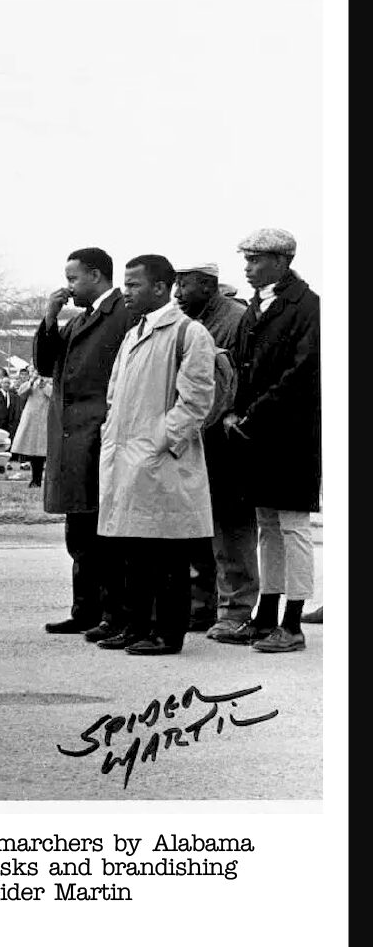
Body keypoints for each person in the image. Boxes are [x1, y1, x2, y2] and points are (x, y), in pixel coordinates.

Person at [95, 254, 215, 656]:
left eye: (134, 285)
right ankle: (136, 626)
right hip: (128, 457)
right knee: (135, 551)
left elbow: (196, 399)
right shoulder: (134, 333)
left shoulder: (188, 333)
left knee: (167, 553)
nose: (126, 291)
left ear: (160, 288)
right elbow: (116, 393)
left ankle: (168, 632)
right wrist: (113, 431)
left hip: (160, 460)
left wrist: (160, 441)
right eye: (126, 284)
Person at [216, 228, 320, 653]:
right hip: (255, 433)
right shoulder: (254, 308)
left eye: (256, 258)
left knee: (292, 527)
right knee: (267, 526)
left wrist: (251, 414)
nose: (247, 265)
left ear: (282, 261)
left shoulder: (308, 306)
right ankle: (265, 616)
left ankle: (292, 624)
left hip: (291, 435)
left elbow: (302, 372)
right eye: (247, 258)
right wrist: (230, 410)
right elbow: (241, 368)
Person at [34, 247, 142, 639]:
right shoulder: (81, 319)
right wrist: (49, 318)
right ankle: (86, 610)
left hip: (99, 435)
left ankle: (114, 613)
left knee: (104, 532)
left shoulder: (123, 314)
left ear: (95, 276)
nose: (68, 287)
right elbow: (46, 365)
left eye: (73, 279)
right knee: (79, 531)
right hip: (72, 438)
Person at [173, 262, 255, 636]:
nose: (177, 294)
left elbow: (250, 376)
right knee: (199, 526)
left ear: (207, 286)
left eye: (184, 286)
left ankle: (236, 610)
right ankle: (202, 605)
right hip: (196, 440)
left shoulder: (237, 320)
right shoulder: (186, 323)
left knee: (231, 527)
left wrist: (236, 413)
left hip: (228, 442)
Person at [11, 368, 51, 487]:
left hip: (45, 418)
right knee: (33, 452)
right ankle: (35, 479)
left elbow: (54, 395)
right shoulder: (31, 383)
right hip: (32, 420)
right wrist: (31, 382)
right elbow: (21, 393)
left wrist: (44, 386)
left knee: (43, 452)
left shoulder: (50, 381)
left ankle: (42, 480)